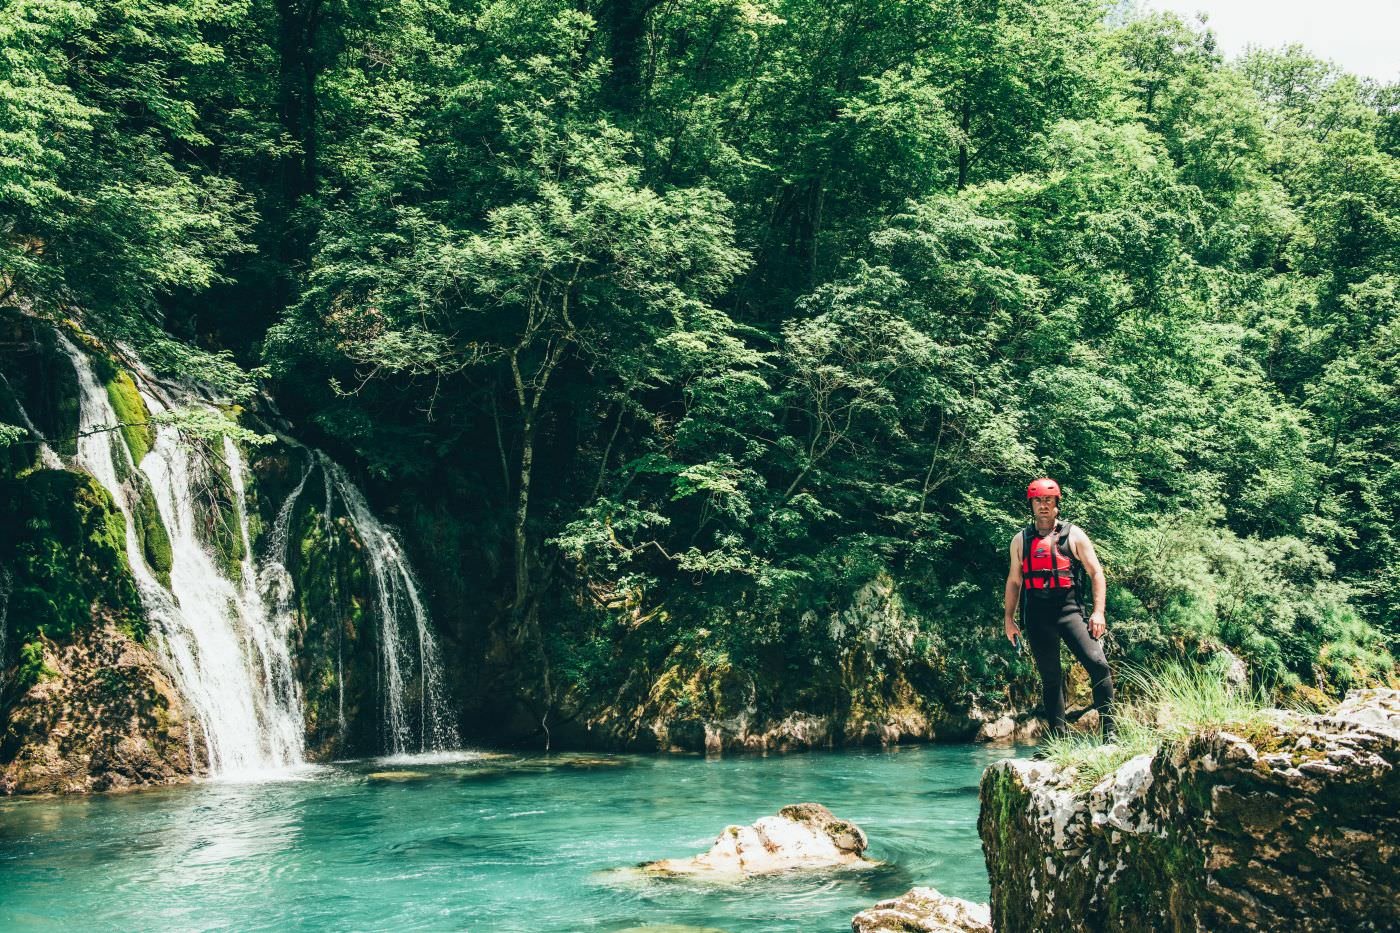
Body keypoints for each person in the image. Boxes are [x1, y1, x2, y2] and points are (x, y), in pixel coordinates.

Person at [1003, 477, 1115, 739]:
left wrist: (1098, 612)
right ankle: (1058, 741)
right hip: (1037, 615)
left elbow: (1096, 573)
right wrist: (1009, 619)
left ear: (1056, 504)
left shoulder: (1073, 535)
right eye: (1038, 500)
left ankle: (1110, 734)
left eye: (1048, 500)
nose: (1043, 505)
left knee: (1098, 665)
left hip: (1069, 611)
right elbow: (1014, 581)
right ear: (1031, 505)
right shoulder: (1020, 540)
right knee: (1050, 677)